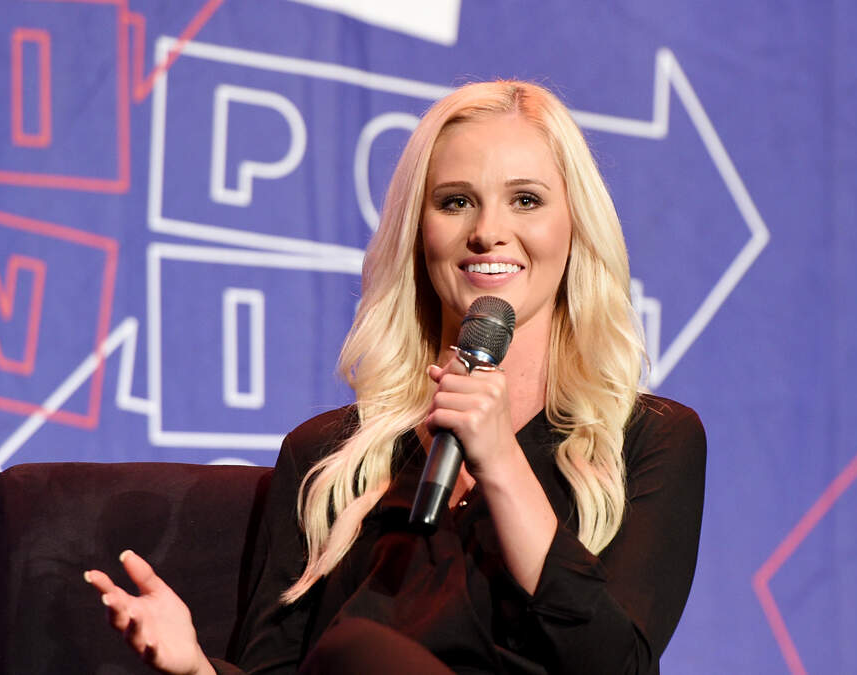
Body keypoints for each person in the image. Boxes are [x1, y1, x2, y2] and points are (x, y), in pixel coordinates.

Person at [86, 80, 706, 674]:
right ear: (418, 231)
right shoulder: (326, 458)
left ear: (574, 226)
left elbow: (617, 664)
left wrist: (500, 461)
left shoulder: (648, 440)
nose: (488, 232)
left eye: (525, 200)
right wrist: (196, 668)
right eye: (456, 201)